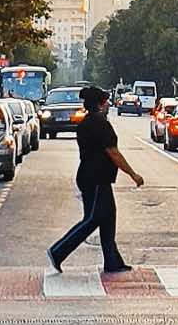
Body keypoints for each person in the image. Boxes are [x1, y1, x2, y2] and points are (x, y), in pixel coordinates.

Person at [47, 85, 144, 274]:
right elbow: (112, 152)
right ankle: (58, 251)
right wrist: (133, 174)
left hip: (92, 176)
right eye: (105, 102)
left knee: (108, 218)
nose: (107, 105)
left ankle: (112, 261)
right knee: (93, 219)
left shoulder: (87, 122)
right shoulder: (100, 124)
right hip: (96, 178)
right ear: (100, 104)